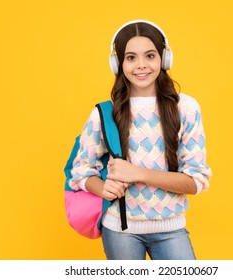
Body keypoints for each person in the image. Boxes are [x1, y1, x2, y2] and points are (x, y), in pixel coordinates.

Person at [69, 19, 212, 260]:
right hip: (120, 230)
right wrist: (104, 188)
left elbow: (195, 181)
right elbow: (80, 172)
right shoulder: (105, 113)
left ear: (164, 59)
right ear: (118, 63)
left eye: (150, 56)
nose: (141, 65)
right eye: (131, 57)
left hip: (171, 228)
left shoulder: (186, 108)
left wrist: (137, 172)